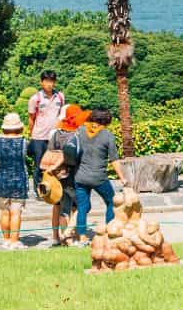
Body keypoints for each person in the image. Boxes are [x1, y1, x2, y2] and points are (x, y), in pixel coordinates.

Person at [69, 109, 123, 239]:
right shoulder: (107, 135)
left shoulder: (81, 130)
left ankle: (82, 236)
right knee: (111, 202)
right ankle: (109, 231)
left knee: (82, 206)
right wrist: (122, 177)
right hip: (99, 177)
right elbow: (114, 159)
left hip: (80, 176)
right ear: (107, 121)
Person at [43, 104, 88, 246]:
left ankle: (57, 237)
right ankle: (69, 236)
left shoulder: (56, 134)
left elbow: (50, 152)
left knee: (60, 206)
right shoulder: (78, 135)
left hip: (56, 175)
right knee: (79, 205)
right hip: (73, 174)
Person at [0, 113, 29, 249]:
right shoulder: (24, 142)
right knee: (16, 212)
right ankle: (14, 241)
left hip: (2, 178)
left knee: (4, 211)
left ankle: (6, 239)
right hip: (19, 179)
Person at [27, 70, 66, 190]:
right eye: (47, 81)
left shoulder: (60, 96)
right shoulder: (35, 99)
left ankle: (54, 189)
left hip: (55, 137)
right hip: (39, 137)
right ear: (41, 82)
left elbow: (61, 115)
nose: (50, 84)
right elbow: (31, 118)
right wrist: (31, 135)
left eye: (52, 81)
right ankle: (39, 190)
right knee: (39, 165)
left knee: (55, 164)